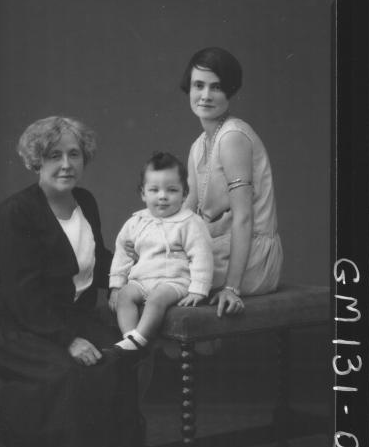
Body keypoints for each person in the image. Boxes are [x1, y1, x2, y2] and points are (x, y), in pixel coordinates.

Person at [0, 116, 140, 447]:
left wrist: (137, 280)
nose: (66, 164)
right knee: (70, 371)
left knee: (119, 357)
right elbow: (22, 295)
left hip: (63, 317)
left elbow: (101, 261)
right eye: (54, 155)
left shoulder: (85, 202)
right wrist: (69, 340)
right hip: (12, 324)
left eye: (74, 154)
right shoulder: (14, 213)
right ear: (36, 161)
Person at [180, 47, 283, 317]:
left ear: (230, 91)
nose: (205, 95)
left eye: (216, 87)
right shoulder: (198, 145)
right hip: (221, 247)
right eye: (198, 85)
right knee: (154, 264)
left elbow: (244, 219)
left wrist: (231, 288)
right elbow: (187, 213)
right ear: (188, 88)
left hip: (253, 257)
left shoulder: (232, 137)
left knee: (165, 275)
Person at [107, 152, 213, 361]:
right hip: (141, 280)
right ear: (143, 194)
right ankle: (130, 338)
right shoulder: (136, 222)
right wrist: (116, 286)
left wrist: (198, 290)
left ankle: (140, 339)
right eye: (154, 190)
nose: (162, 196)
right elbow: (122, 254)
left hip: (174, 281)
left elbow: (202, 255)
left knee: (156, 299)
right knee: (125, 296)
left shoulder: (189, 222)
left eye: (172, 190)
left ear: (184, 194)